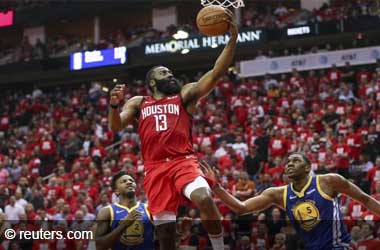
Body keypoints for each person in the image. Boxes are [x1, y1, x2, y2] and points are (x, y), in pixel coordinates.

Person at [108, 11, 238, 250]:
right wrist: (114, 105)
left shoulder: (184, 96)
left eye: (170, 72)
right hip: (155, 169)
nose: (170, 74)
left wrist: (231, 40)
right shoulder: (138, 102)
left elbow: (215, 73)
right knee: (166, 238)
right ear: (152, 82)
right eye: (164, 72)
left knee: (204, 198)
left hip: (182, 162)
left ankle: (220, 247)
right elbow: (116, 125)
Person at [200, 152, 380, 250]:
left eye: (295, 161)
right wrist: (217, 187)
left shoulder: (328, 181)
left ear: (308, 167)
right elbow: (241, 208)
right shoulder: (278, 194)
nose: (289, 164)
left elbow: (365, 199)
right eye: (288, 162)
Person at [95, 171, 154, 250]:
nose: (129, 182)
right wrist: (123, 225)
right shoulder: (107, 212)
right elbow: (99, 246)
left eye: (132, 181)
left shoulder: (149, 209)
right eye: (124, 181)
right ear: (116, 191)